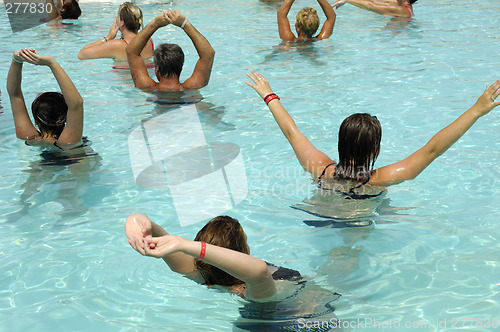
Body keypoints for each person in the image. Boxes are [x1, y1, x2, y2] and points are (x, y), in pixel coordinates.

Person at [245, 70, 500, 190]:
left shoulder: (320, 169)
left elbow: (292, 133)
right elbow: (432, 150)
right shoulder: (380, 180)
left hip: (317, 220)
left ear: (340, 142)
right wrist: (476, 110)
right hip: (357, 229)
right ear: (375, 148)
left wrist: (268, 94)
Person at [125, 213, 308, 301]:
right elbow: (259, 269)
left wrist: (140, 221)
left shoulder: (200, 274)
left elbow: (168, 245)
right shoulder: (252, 289)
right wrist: (185, 244)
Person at [7, 49, 84, 149]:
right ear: (67, 116)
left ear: (36, 121)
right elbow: (76, 104)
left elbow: (15, 95)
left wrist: (16, 60)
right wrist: (51, 62)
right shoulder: (69, 142)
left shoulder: (29, 138)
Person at [126, 9, 215, 91]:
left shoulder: (147, 87)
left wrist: (155, 24)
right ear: (180, 68)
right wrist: (184, 23)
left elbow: (131, 51)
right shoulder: (192, 87)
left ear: (157, 70)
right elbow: (208, 54)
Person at [77, 2, 154, 61]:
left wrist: (108, 38)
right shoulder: (149, 41)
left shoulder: (117, 45)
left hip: (123, 81)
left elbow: (81, 54)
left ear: (122, 23)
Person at [332, 0, 417, 18]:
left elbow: (371, 6)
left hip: (390, 41)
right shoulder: (402, 6)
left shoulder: (401, 10)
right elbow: (374, 1)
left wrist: (347, 0)